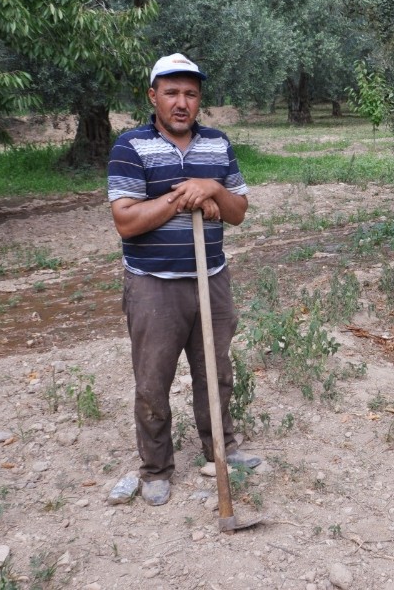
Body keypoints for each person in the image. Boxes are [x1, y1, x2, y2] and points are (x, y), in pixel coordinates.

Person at [107, 53, 259, 507]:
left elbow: (237, 212)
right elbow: (126, 221)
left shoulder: (217, 144)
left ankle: (221, 448)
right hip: (153, 284)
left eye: (190, 94)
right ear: (152, 96)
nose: (181, 103)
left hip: (211, 277)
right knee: (152, 380)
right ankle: (156, 468)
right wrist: (184, 196)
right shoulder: (131, 147)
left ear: (199, 100)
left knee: (216, 371)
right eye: (171, 92)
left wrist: (212, 188)